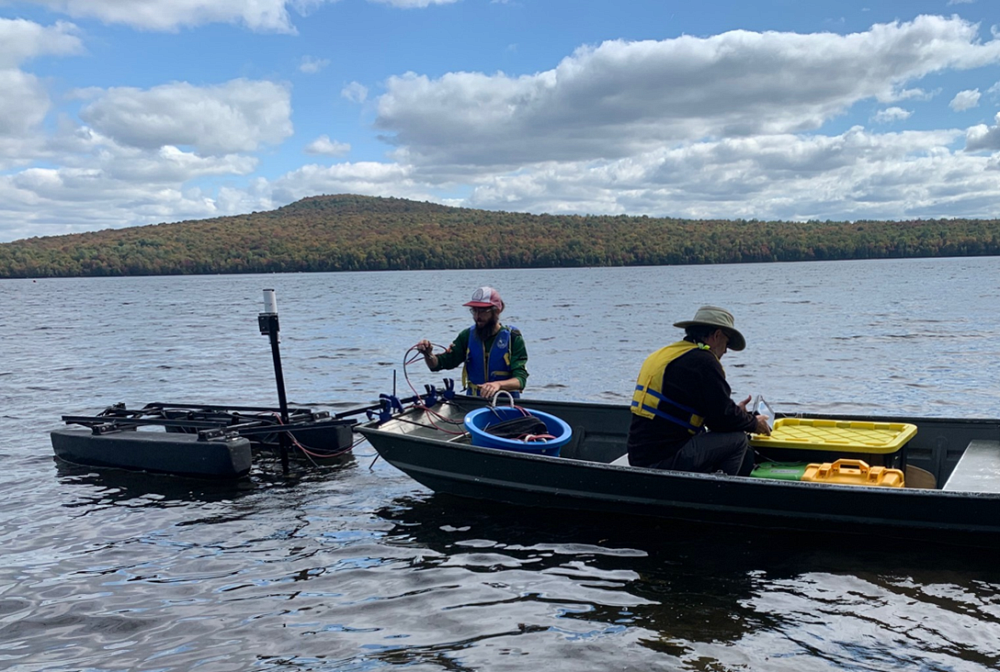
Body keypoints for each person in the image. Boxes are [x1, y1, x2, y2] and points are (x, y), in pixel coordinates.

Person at [626, 305, 770, 475]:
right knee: (738, 439)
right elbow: (721, 419)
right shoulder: (704, 361)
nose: (726, 350)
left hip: (639, 455)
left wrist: (737, 414)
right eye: (727, 343)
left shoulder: (670, 354)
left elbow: (715, 412)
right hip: (664, 458)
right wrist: (754, 423)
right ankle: (718, 489)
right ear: (717, 335)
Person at [415, 286, 528, 399]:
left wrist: (498, 385)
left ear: (497, 311)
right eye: (474, 311)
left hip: (506, 402)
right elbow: (439, 364)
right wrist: (428, 354)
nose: (477, 317)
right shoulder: (467, 336)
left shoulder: (512, 338)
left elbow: (520, 380)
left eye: (483, 311)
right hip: (474, 402)